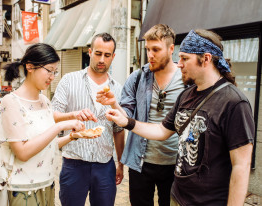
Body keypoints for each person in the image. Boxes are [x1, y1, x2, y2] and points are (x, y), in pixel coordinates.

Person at [105, 29, 255, 205]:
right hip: (178, 196)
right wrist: (127, 122)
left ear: (206, 59)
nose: (179, 64)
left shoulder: (234, 103)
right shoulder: (187, 95)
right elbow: (162, 130)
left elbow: (241, 166)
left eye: (184, 58)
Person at [97, 24, 185, 206]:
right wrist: (114, 103)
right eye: (147, 49)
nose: (150, 55)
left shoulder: (186, 80)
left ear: (171, 49)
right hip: (140, 161)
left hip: (175, 164)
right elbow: (126, 118)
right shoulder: (137, 77)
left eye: (156, 49)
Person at [0, 43, 87, 206]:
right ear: (30, 67)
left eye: (55, 72)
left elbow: (47, 146)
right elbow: (23, 152)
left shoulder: (45, 101)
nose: (52, 77)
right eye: (49, 70)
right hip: (24, 189)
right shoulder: (11, 102)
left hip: (47, 184)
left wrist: (72, 136)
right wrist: (60, 126)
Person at [51, 33, 125, 206]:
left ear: (113, 57)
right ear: (90, 52)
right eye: (98, 53)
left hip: (105, 166)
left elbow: (118, 130)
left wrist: (120, 164)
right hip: (73, 164)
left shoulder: (118, 90)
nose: (102, 59)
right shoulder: (69, 80)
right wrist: (73, 115)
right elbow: (52, 116)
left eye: (107, 55)